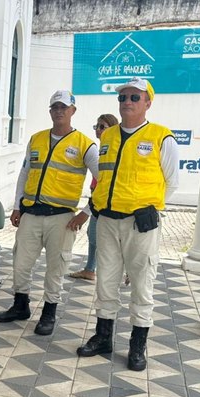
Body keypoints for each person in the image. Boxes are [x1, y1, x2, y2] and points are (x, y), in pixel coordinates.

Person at [77, 77, 179, 371]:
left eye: (135, 97)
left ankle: (137, 346)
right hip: (108, 220)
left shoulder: (162, 137)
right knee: (106, 281)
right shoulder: (106, 138)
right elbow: (104, 179)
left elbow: (171, 182)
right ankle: (103, 337)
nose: (128, 103)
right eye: (123, 97)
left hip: (140, 224)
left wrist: (151, 206)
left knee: (141, 283)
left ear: (148, 102)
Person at [0, 91, 99, 336]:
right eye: (54, 107)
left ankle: (49, 312)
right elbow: (24, 174)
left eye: (64, 107)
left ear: (73, 111)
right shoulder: (37, 139)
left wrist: (86, 212)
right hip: (31, 212)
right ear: (50, 110)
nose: (59, 111)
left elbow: (103, 181)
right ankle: (20, 305)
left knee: (56, 267)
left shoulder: (85, 145)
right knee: (21, 263)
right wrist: (18, 206)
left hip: (62, 218)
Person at [69, 113, 119, 281]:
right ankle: (90, 269)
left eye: (102, 126)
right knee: (93, 235)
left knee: (103, 239)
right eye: (97, 126)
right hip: (96, 202)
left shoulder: (113, 150)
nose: (98, 130)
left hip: (106, 205)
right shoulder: (100, 150)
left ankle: (111, 273)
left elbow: (105, 184)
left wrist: (85, 212)